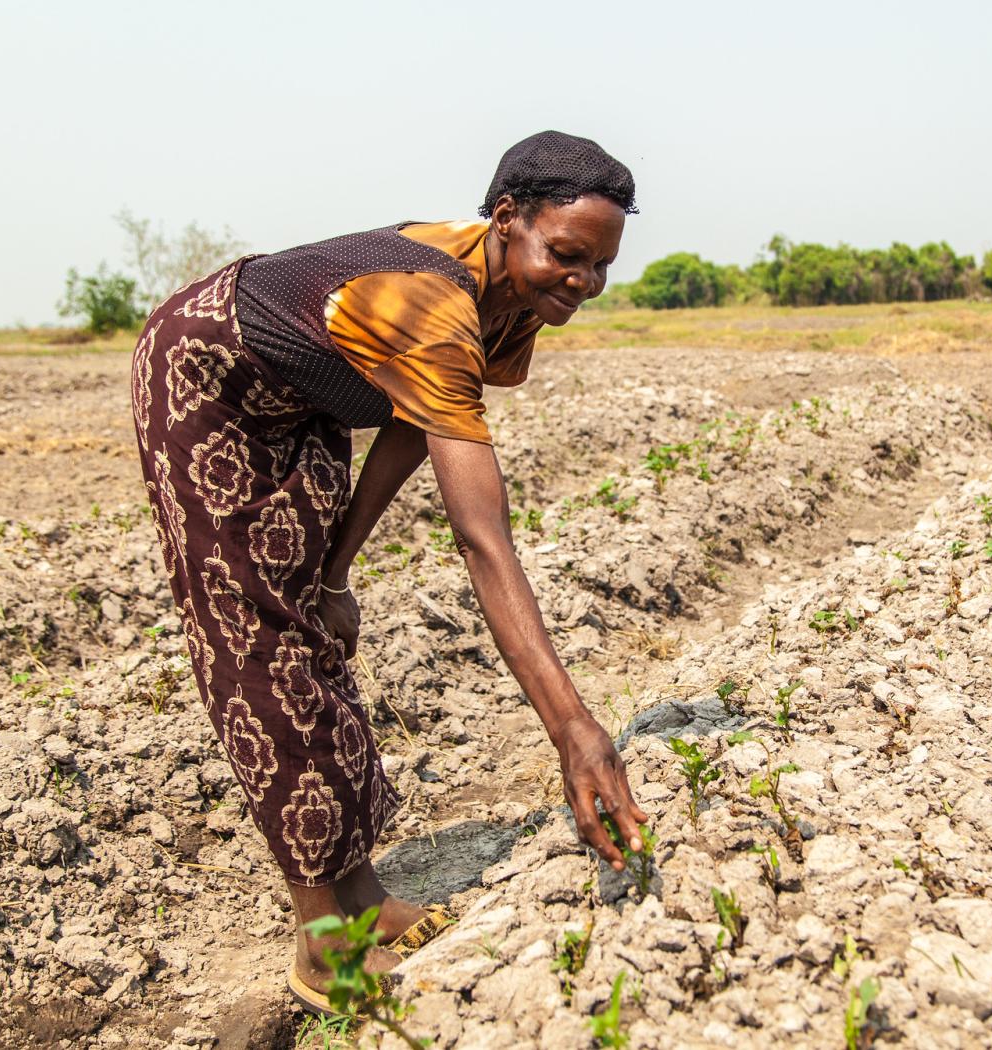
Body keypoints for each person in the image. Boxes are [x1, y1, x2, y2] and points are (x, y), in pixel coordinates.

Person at [128, 131, 649, 1009]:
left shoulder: (512, 294)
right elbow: (483, 539)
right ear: (507, 217)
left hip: (306, 401)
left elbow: (414, 420)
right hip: (208, 379)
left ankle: (363, 900)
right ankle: (324, 948)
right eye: (568, 256)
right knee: (262, 646)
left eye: (601, 265)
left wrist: (334, 571)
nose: (583, 282)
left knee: (313, 627)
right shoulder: (433, 301)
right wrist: (573, 729)